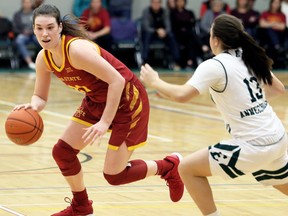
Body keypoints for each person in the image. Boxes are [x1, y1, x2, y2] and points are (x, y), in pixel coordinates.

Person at [14, 4, 184, 216]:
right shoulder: (43, 58)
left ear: (59, 27)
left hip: (127, 100)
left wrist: (104, 122)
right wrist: (33, 107)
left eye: (49, 27)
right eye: (39, 28)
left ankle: (168, 166)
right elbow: (40, 96)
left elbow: (117, 80)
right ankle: (81, 206)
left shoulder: (76, 50)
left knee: (114, 175)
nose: (44, 33)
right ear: (33, 29)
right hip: (97, 99)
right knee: (62, 152)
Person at [140, 14, 288, 216]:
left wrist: (154, 81)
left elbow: (182, 95)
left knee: (187, 169)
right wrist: (251, 102)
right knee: (276, 179)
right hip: (277, 137)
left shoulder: (215, 65)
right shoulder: (248, 57)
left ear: (215, 39)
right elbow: (278, 89)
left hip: (254, 143)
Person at [141, 0, 180, 69]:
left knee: (171, 35)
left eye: (158, 2)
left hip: (163, 34)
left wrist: (164, 31)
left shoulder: (165, 11)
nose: (156, 4)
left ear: (160, 3)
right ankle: (145, 61)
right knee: (146, 35)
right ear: (151, 3)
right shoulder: (146, 11)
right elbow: (146, 27)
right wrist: (156, 31)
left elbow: (168, 27)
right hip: (151, 33)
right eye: (154, 2)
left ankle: (176, 61)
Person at [170, 0, 209, 68]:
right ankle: (202, 46)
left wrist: (184, 24)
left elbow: (193, 23)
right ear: (176, 2)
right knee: (191, 34)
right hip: (177, 34)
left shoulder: (189, 12)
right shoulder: (172, 13)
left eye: (182, 1)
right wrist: (184, 24)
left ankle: (190, 61)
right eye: (179, 1)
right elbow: (174, 25)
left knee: (191, 40)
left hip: (188, 34)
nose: (180, 3)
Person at [12, 0, 40, 70]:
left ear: (31, 3)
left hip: (34, 34)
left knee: (42, 40)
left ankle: (44, 61)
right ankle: (30, 62)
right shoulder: (17, 15)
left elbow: (40, 25)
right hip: (23, 34)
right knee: (19, 41)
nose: (27, 4)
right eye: (25, 3)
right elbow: (14, 28)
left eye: (29, 2)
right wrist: (22, 32)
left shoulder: (36, 13)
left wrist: (33, 31)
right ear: (22, 4)